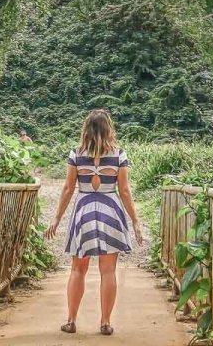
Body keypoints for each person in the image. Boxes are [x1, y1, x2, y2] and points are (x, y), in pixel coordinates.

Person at [44, 109, 143, 336]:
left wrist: (57, 218)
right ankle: (105, 322)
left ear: (86, 128)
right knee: (108, 271)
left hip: (84, 211)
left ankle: (71, 320)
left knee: (78, 269)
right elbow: (125, 191)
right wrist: (135, 221)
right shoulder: (119, 155)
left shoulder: (76, 154)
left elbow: (68, 188)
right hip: (111, 209)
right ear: (109, 128)